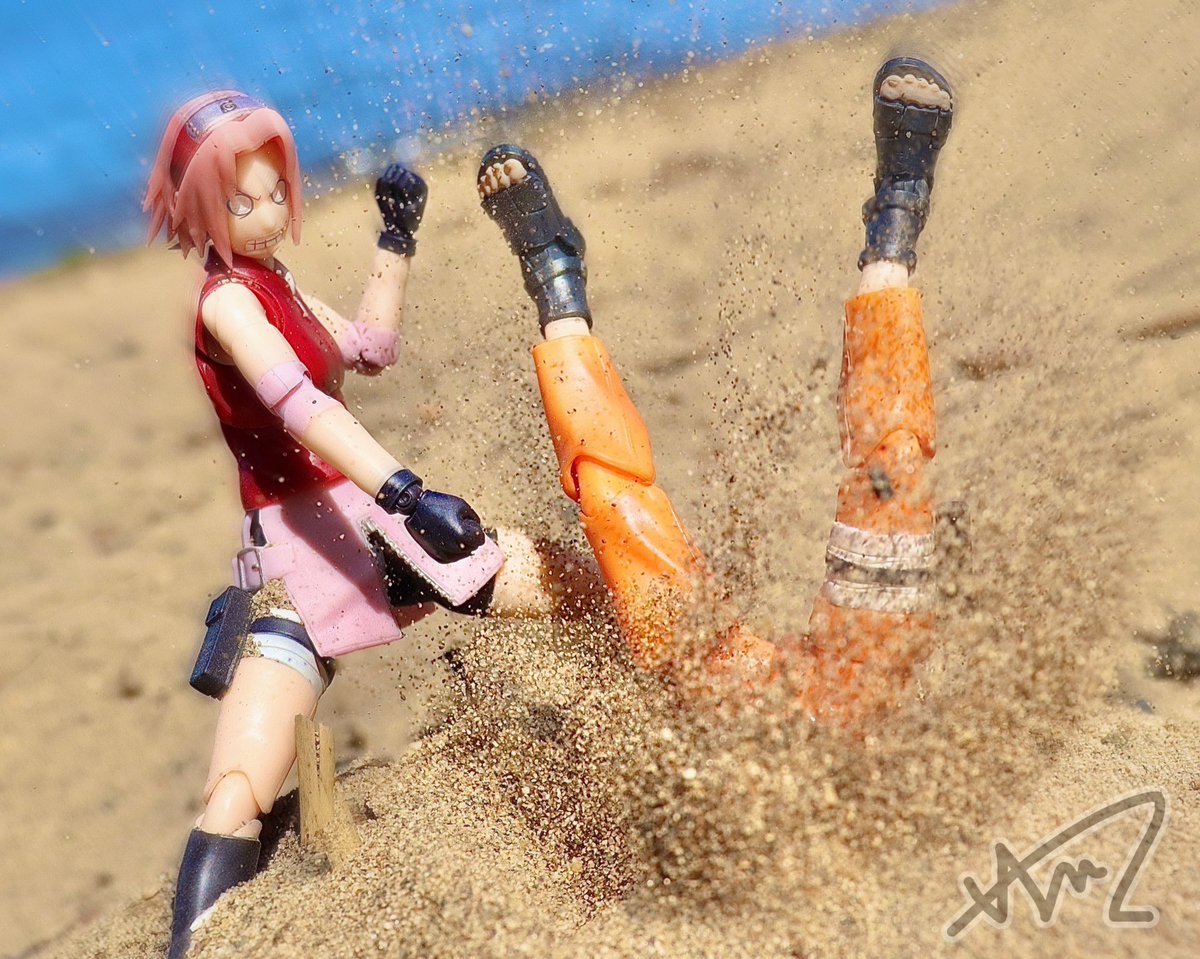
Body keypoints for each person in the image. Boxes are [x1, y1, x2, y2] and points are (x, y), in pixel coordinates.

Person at [145, 90, 558, 958]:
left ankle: (661, 649)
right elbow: (299, 405)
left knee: (528, 577)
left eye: (275, 194)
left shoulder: (277, 281)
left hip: (362, 523)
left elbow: (368, 348)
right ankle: (198, 944)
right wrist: (406, 492)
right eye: (242, 202)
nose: (267, 216)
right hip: (302, 556)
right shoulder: (227, 304)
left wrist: (395, 241)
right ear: (201, 209)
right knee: (237, 791)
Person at [476, 55, 955, 722]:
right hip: (811, 696)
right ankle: (894, 228)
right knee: (891, 475)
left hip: (754, 705)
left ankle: (559, 298)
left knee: (622, 530)